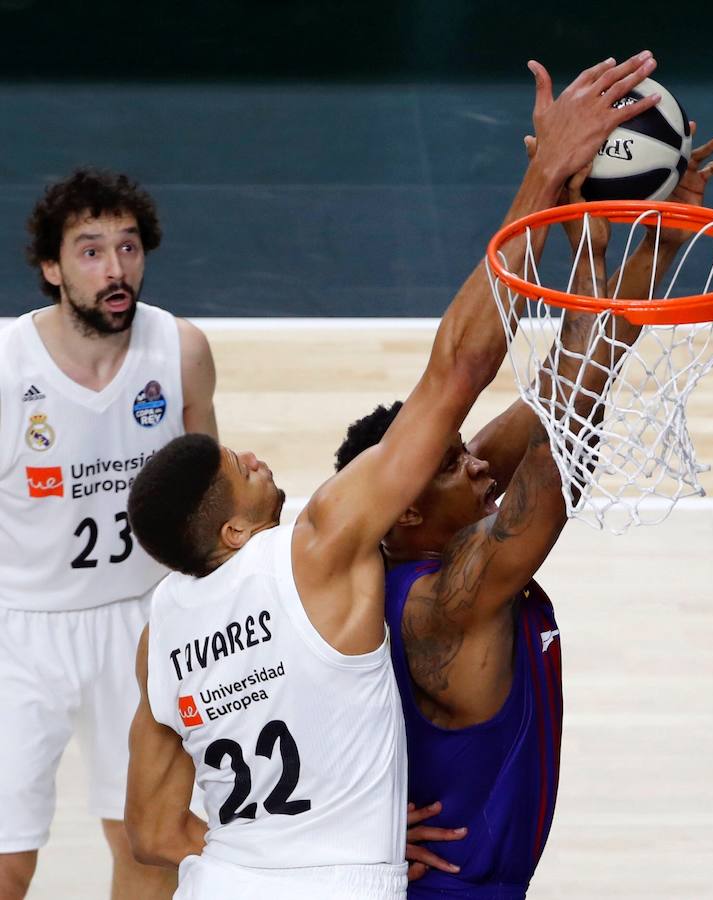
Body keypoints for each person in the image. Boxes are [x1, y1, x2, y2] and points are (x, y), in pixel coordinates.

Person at [122, 53, 662, 900]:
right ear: (232, 531)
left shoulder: (162, 628)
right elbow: (458, 370)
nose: (254, 455)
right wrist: (543, 175)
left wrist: (273, 848)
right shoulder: (319, 551)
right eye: (239, 467)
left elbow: (153, 834)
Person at [333, 125, 713, 897]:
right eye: (454, 463)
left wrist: (654, 221)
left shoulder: (422, 532)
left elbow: (572, 376)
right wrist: (581, 234)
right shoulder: (442, 606)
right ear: (405, 515)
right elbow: (560, 451)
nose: (480, 460)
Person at [0, 168, 217, 899]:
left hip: (145, 625)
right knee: (6, 860)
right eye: (91, 251)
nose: (115, 268)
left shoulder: (179, 350)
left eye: (128, 247)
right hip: (20, 629)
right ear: (51, 268)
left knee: (147, 843)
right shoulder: (5, 369)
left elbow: (209, 501)